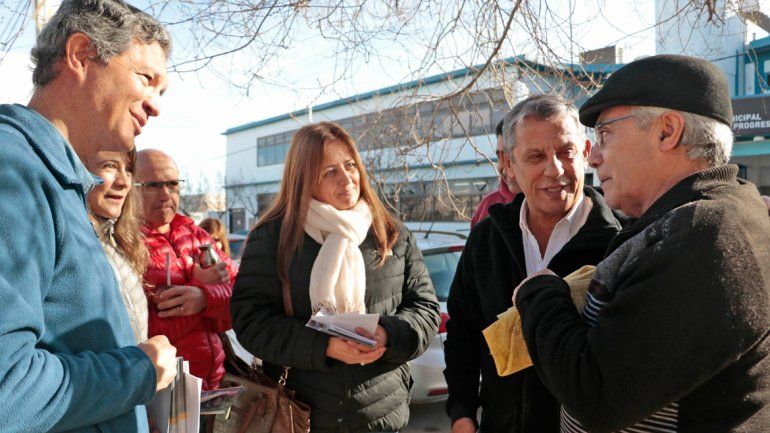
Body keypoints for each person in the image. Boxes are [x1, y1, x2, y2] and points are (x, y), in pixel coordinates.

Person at [514, 55, 770, 432]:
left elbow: (597, 394)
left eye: (605, 134)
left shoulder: (702, 235)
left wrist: (540, 293)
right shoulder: (708, 219)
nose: (594, 157)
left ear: (667, 131)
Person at [0, 1, 177, 432]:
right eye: (146, 79)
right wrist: (140, 371)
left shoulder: (54, 179)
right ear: (80, 54)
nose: (155, 105)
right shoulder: (13, 170)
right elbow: (8, 392)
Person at [231, 121, 441, 433]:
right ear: (304, 179)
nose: (346, 179)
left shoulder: (391, 234)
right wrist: (324, 346)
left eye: (350, 165)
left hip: (382, 416)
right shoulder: (273, 238)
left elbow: (425, 310)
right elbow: (251, 322)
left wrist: (389, 335)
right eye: (329, 171)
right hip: (299, 415)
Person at [443, 94, 623, 433]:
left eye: (565, 152)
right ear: (509, 165)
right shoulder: (487, 239)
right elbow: (464, 331)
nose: (554, 170)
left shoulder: (621, 242)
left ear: (585, 153)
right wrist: (462, 412)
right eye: (536, 156)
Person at [135, 149, 237, 391]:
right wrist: (201, 295)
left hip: (212, 385)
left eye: (172, 184)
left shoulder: (195, 235)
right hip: (162, 393)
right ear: (132, 187)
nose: (165, 195)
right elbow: (140, 331)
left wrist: (204, 297)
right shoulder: (126, 242)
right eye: (153, 185)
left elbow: (241, 304)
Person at [85, 148, 149, 343]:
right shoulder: (72, 244)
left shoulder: (122, 242)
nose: (124, 182)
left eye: (129, 170)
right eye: (110, 166)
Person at [470, 119, 522, 227]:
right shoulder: (487, 206)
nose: (504, 166)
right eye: (499, 156)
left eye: (512, 156)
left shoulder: (555, 203)